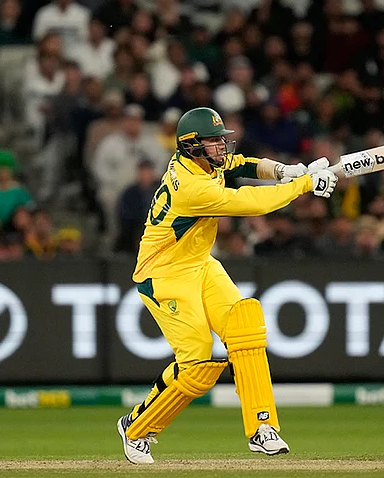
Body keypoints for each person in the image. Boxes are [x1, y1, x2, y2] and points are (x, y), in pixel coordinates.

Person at [116, 107, 337, 464]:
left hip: (199, 265)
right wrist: (303, 185)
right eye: (213, 141)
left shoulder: (205, 163)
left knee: (244, 325)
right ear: (191, 146)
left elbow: (244, 164)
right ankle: (136, 427)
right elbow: (247, 203)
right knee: (198, 365)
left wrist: (283, 170)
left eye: (221, 140)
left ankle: (263, 428)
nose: (221, 147)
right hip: (164, 275)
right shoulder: (191, 186)